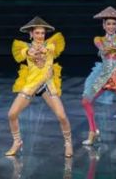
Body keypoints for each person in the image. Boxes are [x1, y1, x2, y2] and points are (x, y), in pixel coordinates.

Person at [5, 17, 73, 158]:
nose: (40, 35)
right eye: (37, 33)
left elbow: (49, 49)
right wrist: (29, 51)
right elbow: (26, 52)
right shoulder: (25, 48)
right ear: (31, 34)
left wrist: (43, 49)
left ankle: (68, 143)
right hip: (31, 84)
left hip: (47, 84)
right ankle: (17, 141)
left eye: (42, 33)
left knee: (61, 115)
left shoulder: (50, 45)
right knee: (12, 114)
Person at [81, 6, 116, 146]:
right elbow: (103, 49)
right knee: (86, 101)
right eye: (108, 24)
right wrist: (106, 47)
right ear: (104, 26)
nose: (111, 26)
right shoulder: (98, 39)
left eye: (114, 24)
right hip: (103, 77)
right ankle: (93, 131)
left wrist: (113, 46)